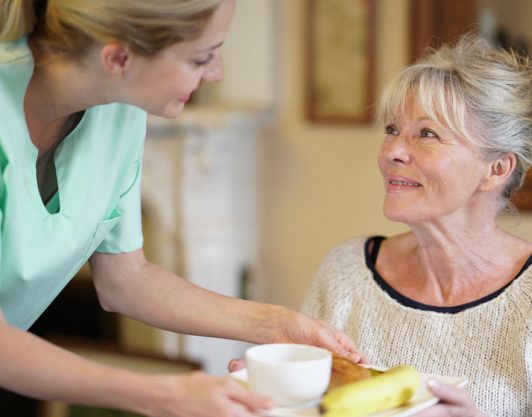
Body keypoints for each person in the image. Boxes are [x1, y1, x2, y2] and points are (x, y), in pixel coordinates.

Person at [0, 1, 363, 416]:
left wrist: (274, 323)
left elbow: (125, 279)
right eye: (200, 58)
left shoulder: (119, 110)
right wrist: (164, 396)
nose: (216, 73)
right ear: (119, 57)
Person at [301, 34, 532, 416]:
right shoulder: (345, 272)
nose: (392, 152)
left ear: (496, 169)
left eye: (427, 134)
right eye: (392, 130)